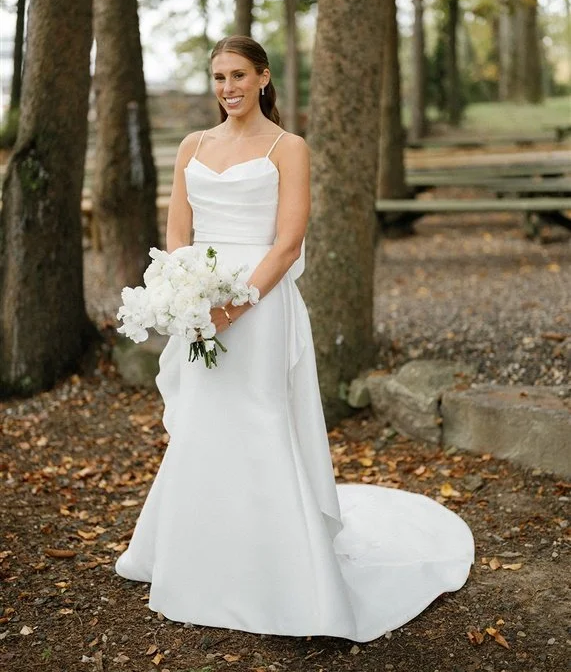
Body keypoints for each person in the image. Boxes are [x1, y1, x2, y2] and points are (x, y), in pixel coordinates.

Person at [115, 35, 475, 642]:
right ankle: (199, 552)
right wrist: (187, 291)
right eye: (218, 78)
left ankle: (278, 568)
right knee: (207, 421)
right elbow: (178, 225)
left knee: (259, 420)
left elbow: (287, 242)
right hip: (201, 303)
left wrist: (237, 304)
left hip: (260, 303)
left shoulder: (289, 147)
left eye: (237, 76)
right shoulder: (192, 146)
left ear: (263, 78)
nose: (227, 88)